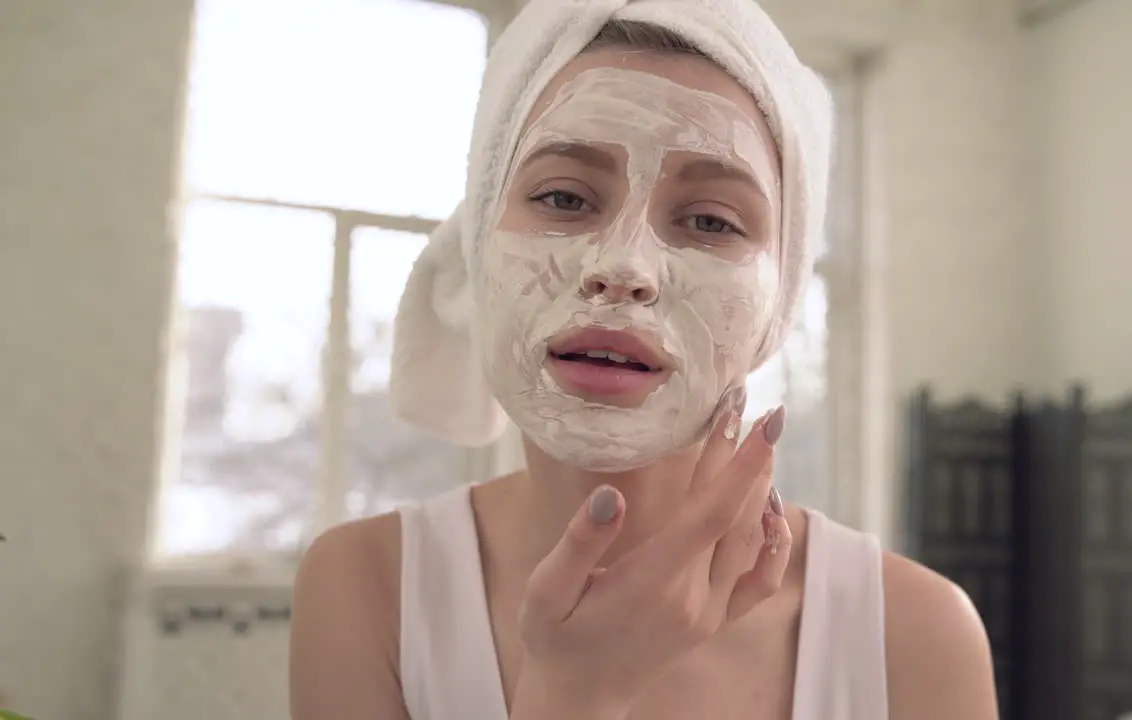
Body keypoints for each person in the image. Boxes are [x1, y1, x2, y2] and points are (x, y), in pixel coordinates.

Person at [289, 1, 999, 718]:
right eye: (564, 197)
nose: (623, 268)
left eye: (710, 220)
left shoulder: (914, 632)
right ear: (476, 247)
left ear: (776, 303)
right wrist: (575, 695)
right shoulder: (369, 584)